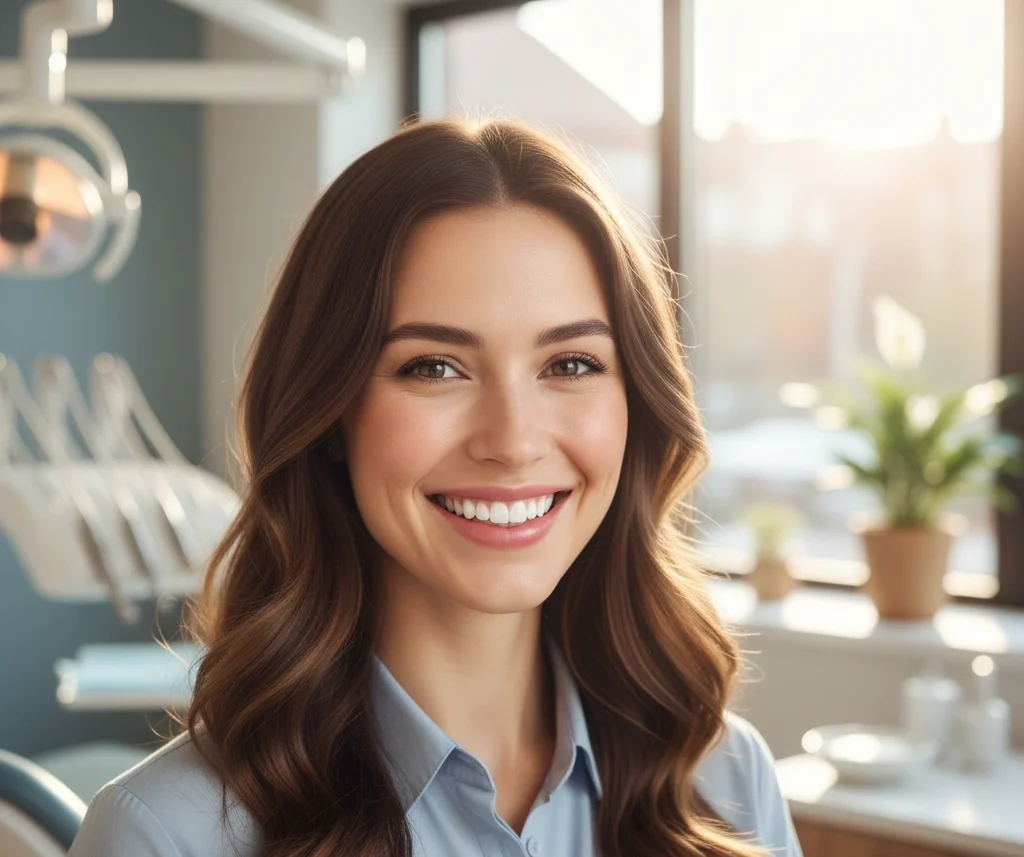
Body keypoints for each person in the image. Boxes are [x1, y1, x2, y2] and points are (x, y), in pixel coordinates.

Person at [68, 117, 803, 857]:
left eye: (571, 364)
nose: (513, 441)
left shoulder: (726, 780)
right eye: (434, 366)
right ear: (328, 414)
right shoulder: (164, 834)